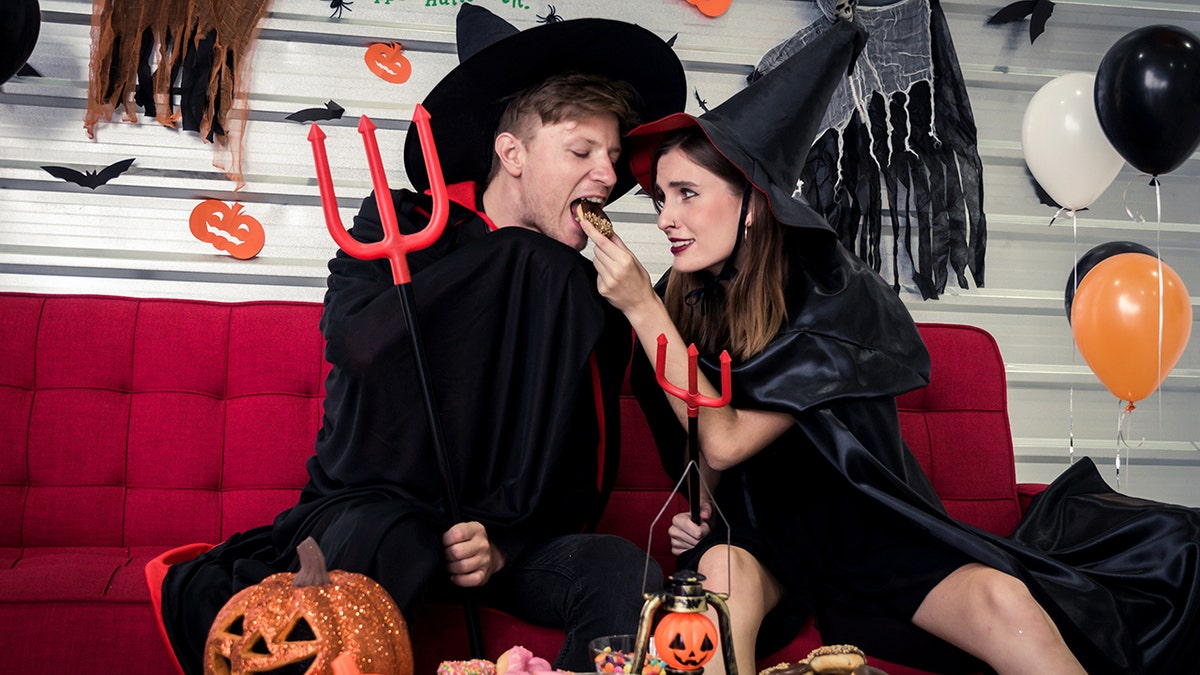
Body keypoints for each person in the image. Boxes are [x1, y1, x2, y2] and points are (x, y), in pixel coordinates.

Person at [581, 19, 1200, 675]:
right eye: (660, 198)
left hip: (869, 538)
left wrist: (642, 308)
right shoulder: (678, 297)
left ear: (752, 205)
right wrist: (704, 512)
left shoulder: (833, 293)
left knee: (1004, 600)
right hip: (760, 543)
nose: (665, 218)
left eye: (686, 194)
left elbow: (726, 436)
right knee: (704, 612)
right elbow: (707, 458)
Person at [159, 5, 687, 673]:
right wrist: (517, 259)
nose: (610, 178)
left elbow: (585, 466)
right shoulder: (399, 225)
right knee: (391, 541)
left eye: (612, 158)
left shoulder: (585, 294)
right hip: (375, 516)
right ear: (511, 153)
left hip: (503, 542)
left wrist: (503, 541)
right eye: (582, 152)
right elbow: (357, 344)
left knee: (623, 569)